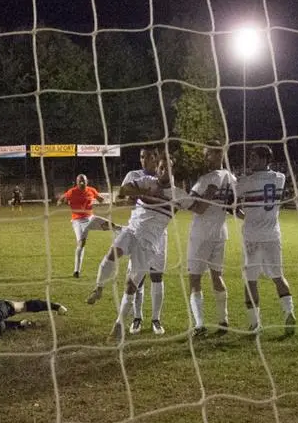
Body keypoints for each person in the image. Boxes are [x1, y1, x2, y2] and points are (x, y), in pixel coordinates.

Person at [87, 151, 189, 339]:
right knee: (112, 253)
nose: (164, 171)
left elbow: (198, 206)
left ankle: (119, 325)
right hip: (131, 231)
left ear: (174, 171)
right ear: (157, 169)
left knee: (131, 284)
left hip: (149, 243)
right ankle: (98, 288)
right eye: (161, 168)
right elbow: (124, 190)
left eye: (168, 168)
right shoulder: (147, 182)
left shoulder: (179, 195)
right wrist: (144, 193)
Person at [235, 145, 295, 335]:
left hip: (252, 237)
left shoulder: (246, 182)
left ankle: (255, 323)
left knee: (250, 280)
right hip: (272, 236)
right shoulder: (280, 178)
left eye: (253, 158)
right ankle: (288, 312)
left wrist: (243, 214)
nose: (250, 161)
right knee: (278, 276)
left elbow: (232, 204)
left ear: (263, 160)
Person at [187, 143, 237, 336]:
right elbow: (233, 205)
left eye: (208, 155)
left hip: (201, 235)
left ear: (218, 155)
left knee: (194, 279)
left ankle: (199, 326)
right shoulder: (232, 178)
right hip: (220, 233)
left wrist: (182, 201)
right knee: (217, 276)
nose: (205, 158)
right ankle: (223, 320)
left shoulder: (208, 178)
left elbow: (199, 207)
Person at [56, 174, 110, 278]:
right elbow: (62, 198)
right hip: (77, 221)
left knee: (109, 225)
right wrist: (60, 201)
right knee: (81, 243)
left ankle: (122, 230)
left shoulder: (91, 190)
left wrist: (102, 199)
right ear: (76, 182)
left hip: (90, 218)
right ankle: (76, 270)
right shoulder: (72, 191)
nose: (82, 182)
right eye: (80, 181)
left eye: (83, 181)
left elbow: (100, 198)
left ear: (87, 181)